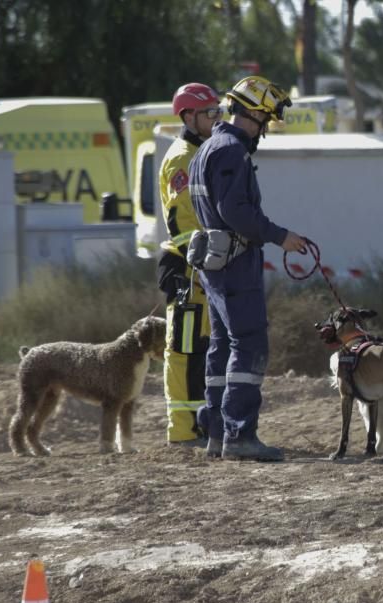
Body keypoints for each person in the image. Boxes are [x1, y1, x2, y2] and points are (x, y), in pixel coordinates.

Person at [188, 76, 309, 461]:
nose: (265, 130)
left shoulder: (206, 149)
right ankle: (239, 436)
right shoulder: (230, 151)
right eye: (266, 121)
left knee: (222, 346)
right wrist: (280, 236)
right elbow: (235, 212)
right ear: (253, 113)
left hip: (217, 264)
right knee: (249, 342)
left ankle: (218, 434)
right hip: (235, 265)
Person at [156, 82, 222, 449]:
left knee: (202, 346)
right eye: (209, 112)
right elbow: (181, 222)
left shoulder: (205, 151)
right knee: (183, 350)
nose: (216, 118)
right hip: (187, 266)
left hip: (205, 264)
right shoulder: (182, 158)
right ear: (188, 115)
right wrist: (199, 265)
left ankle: (201, 423)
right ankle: (182, 429)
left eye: (217, 111)